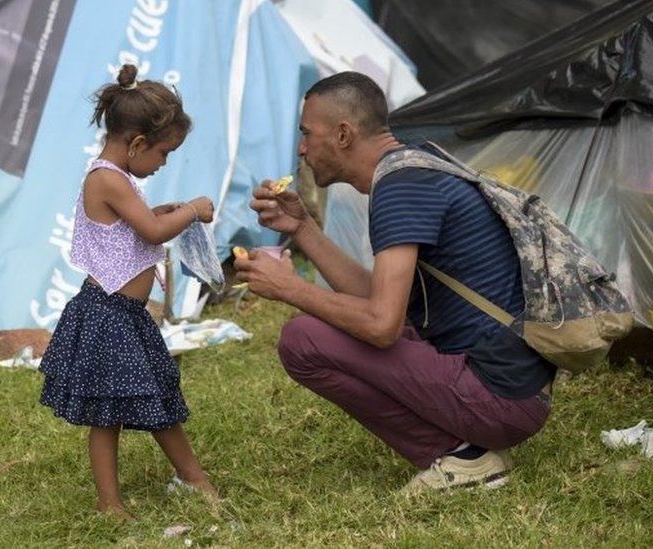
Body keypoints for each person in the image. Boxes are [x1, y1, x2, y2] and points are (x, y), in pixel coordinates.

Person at [234, 72, 556, 494]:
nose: (301, 148)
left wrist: (290, 289)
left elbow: (381, 325)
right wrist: (303, 228)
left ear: (344, 134)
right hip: (516, 390)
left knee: (302, 340)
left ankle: (463, 456)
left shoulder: (400, 188)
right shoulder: (413, 168)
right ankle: (467, 446)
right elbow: (385, 303)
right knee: (343, 326)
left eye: (307, 133)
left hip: (499, 399)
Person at [38, 64, 219, 519]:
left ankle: (191, 478)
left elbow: (136, 226)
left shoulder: (119, 181)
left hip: (125, 314)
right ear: (137, 144)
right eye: (163, 153)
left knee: (155, 397)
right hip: (109, 313)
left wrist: (159, 211)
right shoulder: (107, 179)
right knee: (108, 414)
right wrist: (192, 210)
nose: (163, 163)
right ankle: (111, 503)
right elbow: (154, 233)